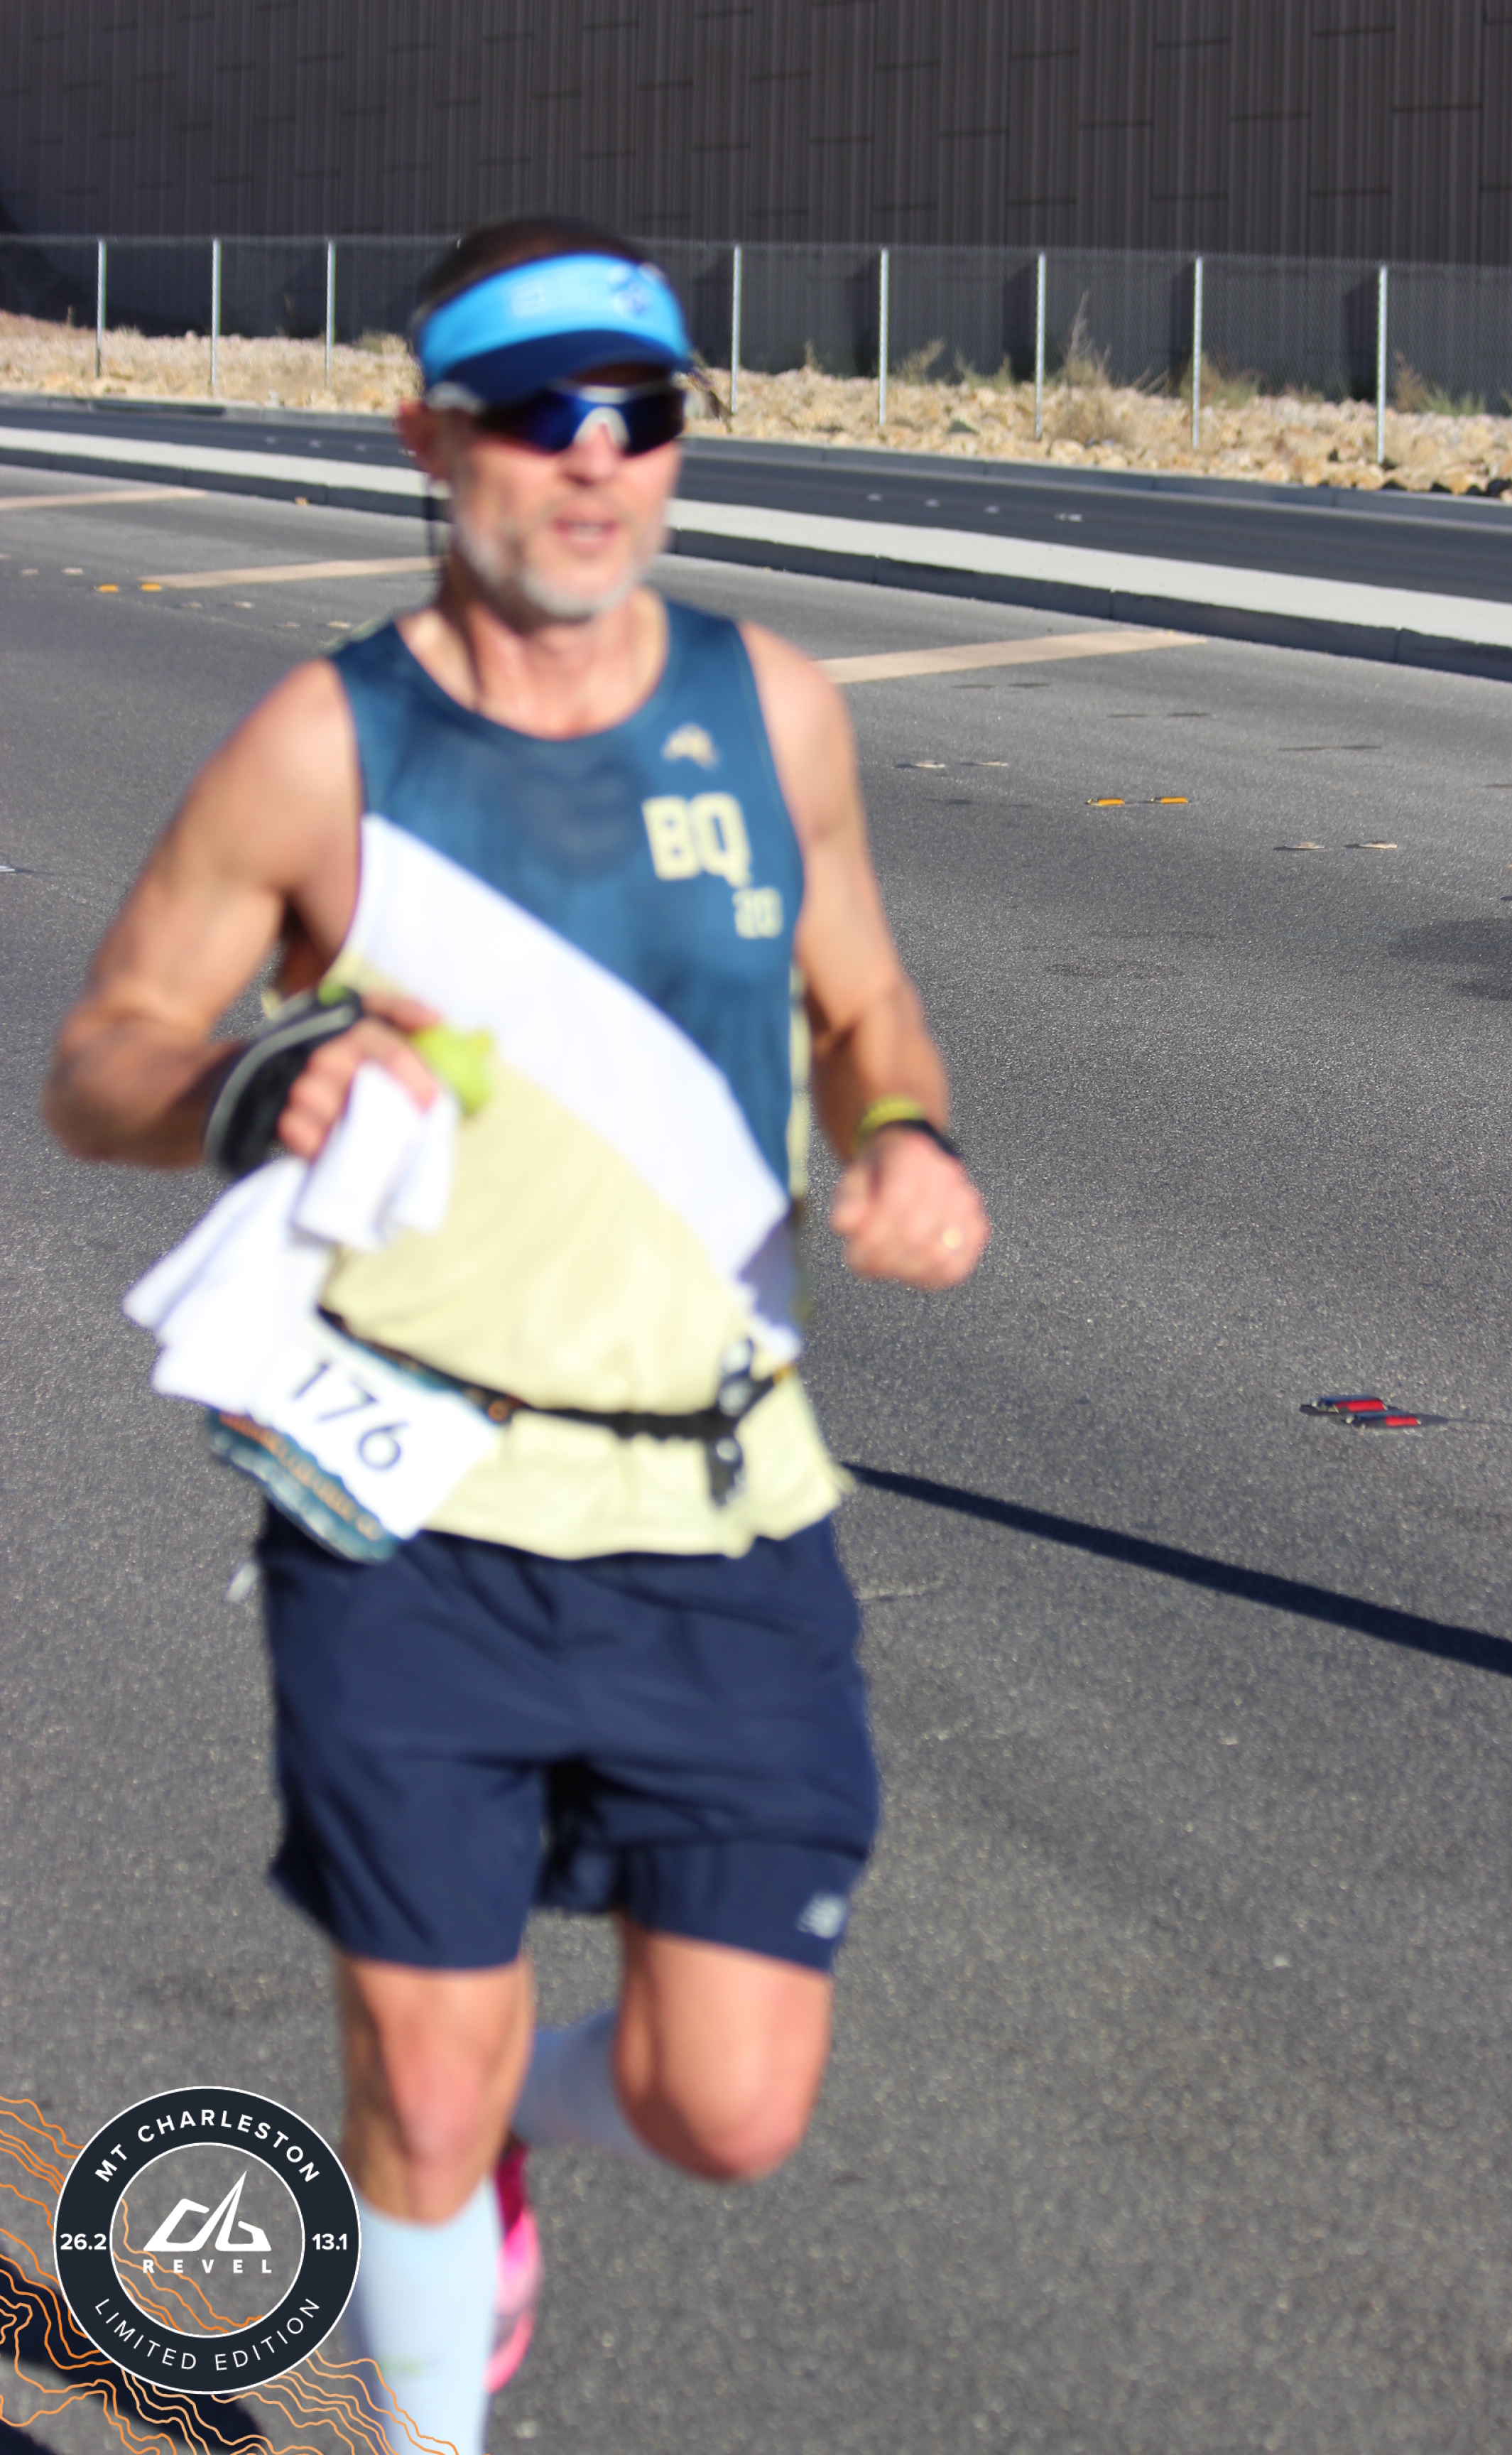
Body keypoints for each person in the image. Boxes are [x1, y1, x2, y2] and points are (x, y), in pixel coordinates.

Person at [43, 216, 989, 2454]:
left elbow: (864, 998)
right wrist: (251, 1082)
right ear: (424, 438)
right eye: (537, 411)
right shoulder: (325, 746)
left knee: (730, 2102)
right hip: (409, 1511)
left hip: (716, 1505)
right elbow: (102, 1058)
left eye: (638, 412)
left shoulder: (771, 712)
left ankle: (502, 2150)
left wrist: (907, 1134)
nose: (592, 457)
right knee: (421, 2065)